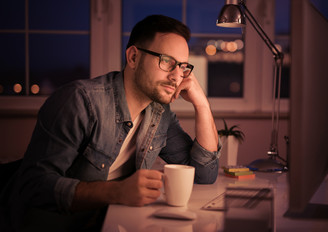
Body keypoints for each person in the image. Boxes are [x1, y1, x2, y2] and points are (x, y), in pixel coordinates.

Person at [0, 15, 221, 231]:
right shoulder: (79, 102)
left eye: (182, 66)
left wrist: (201, 104)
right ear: (133, 57)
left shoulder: (159, 112)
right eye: (166, 62)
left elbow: (204, 175)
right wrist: (116, 192)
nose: (176, 76)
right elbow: (34, 187)